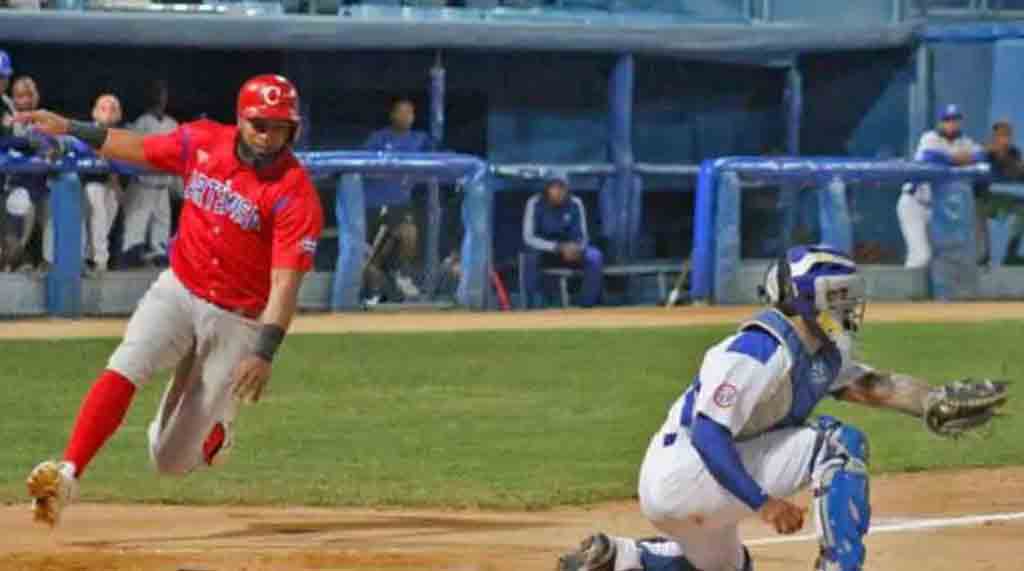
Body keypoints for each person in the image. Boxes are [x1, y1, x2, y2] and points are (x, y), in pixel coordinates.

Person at [557, 245, 1007, 571]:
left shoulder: (817, 349)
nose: (850, 305)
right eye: (840, 294)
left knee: (728, 569)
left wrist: (931, 400)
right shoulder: (759, 349)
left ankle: (617, 558)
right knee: (837, 445)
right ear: (809, 298)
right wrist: (764, 504)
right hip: (688, 470)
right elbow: (709, 433)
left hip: (692, 487)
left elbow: (870, 386)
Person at [18, 73, 324, 527]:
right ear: (241, 119)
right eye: (261, 124)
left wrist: (263, 352)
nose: (269, 135)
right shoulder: (203, 142)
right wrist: (69, 128)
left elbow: (284, 285)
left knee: (169, 460)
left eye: (281, 127)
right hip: (180, 289)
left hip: (237, 320)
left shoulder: (294, 193)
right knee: (127, 363)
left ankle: (217, 428)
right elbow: (138, 148)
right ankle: (68, 475)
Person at [362, 98, 436, 303]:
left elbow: (438, 157)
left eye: (410, 113)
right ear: (392, 115)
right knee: (371, 258)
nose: (406, 116)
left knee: (409, 232)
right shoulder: (378, 138)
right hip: (374, 205)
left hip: (400, 204)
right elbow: (362, 165)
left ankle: (402, 274)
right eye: (401, 112)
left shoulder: (419, 139)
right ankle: (374, 295)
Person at [898, 104, 986, 269]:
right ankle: (905, 292)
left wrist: (954, 158)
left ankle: (931, 294)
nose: (951, 123)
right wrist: (962, 159)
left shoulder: (965, 142)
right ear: (940, 122)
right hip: (914, 204)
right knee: (920, 256)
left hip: (937, 208)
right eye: (947, 119)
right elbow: (931, 156)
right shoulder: (929, 138)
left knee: (945, 258)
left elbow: (981, 155)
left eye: (954, 119)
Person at [120, 79, 180, 268]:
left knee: (161, 233)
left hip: (163, 185)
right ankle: (129, 259)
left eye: (162, 93)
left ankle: (157, 257)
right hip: (142, 184)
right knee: (134, 228)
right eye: (156, 92)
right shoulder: (141, 122)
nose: (160, 97)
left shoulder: (173, 124)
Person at [521, 174, 603, 308]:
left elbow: (583, 236)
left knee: (594, 257)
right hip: (546, 252)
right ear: (547, 188)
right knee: (530, 257)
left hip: (570, 253)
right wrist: (557, 247)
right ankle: (533, 307)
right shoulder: (534, 202)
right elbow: (528, 237)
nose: (558, 192)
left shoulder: (576, 202)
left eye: (562, 187)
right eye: (554, 187)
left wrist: (577, 247)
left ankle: (587, 306)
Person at [1, 76, 50, 271]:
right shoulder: (10, 119)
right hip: (16, 182)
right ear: (13, 98)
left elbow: (53, 146)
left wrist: (46, 146)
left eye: (29, 95)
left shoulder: (45, 118)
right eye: (20, 96)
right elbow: (5, 143)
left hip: (40, 183)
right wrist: (28, 143)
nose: (25, 101)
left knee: (53, 209)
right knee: (22, 206)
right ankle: (15, 260)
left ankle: (49, 262)